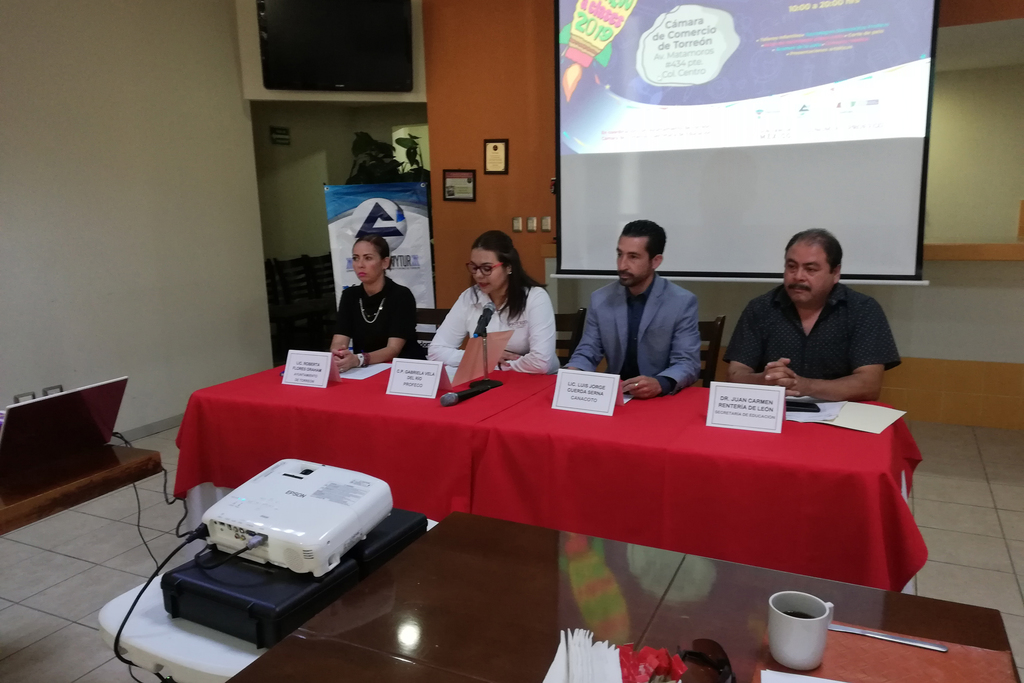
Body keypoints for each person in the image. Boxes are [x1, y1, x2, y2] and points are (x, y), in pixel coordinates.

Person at [724, 229, 900, 401]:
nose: (798, 276)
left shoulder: (862, 309)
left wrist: (804, 385)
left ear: (835, 273)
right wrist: (763, 380)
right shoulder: (761, 308)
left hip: (841, 414)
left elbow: (869, 385)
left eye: (810, 269)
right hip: (774, 411)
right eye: (791, 267)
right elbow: (735, 374)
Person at [567, 220, 701, 398]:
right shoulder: (600, 299)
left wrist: (660, 383)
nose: (622, 265)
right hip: (615, 395)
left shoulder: (681, 302)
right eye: (619, 254)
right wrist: (573, 372)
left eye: (633, 257)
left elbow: (687, 362)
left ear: (655, 261)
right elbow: (588, 351)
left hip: (659, 397)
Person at [429, 230, 558, 374]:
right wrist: (483, 357)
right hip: (488, 378)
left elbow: (541, 363)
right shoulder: (469, 297)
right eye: (474, 267)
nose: (478, 275)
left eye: (487, 268)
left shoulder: (535, 297)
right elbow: (436, 351)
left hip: (534, 379)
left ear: (508, 267)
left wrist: (494, 365)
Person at [330, 235, 425, 375]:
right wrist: (338, 354)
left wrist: (359, 359)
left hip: (404, 370)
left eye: (368, 258)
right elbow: (339, 338)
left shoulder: (401, 296)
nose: (360, 264)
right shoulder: (350, 296)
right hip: (364, 370)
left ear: (385, 262)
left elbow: (393, 349)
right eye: (356, 258)